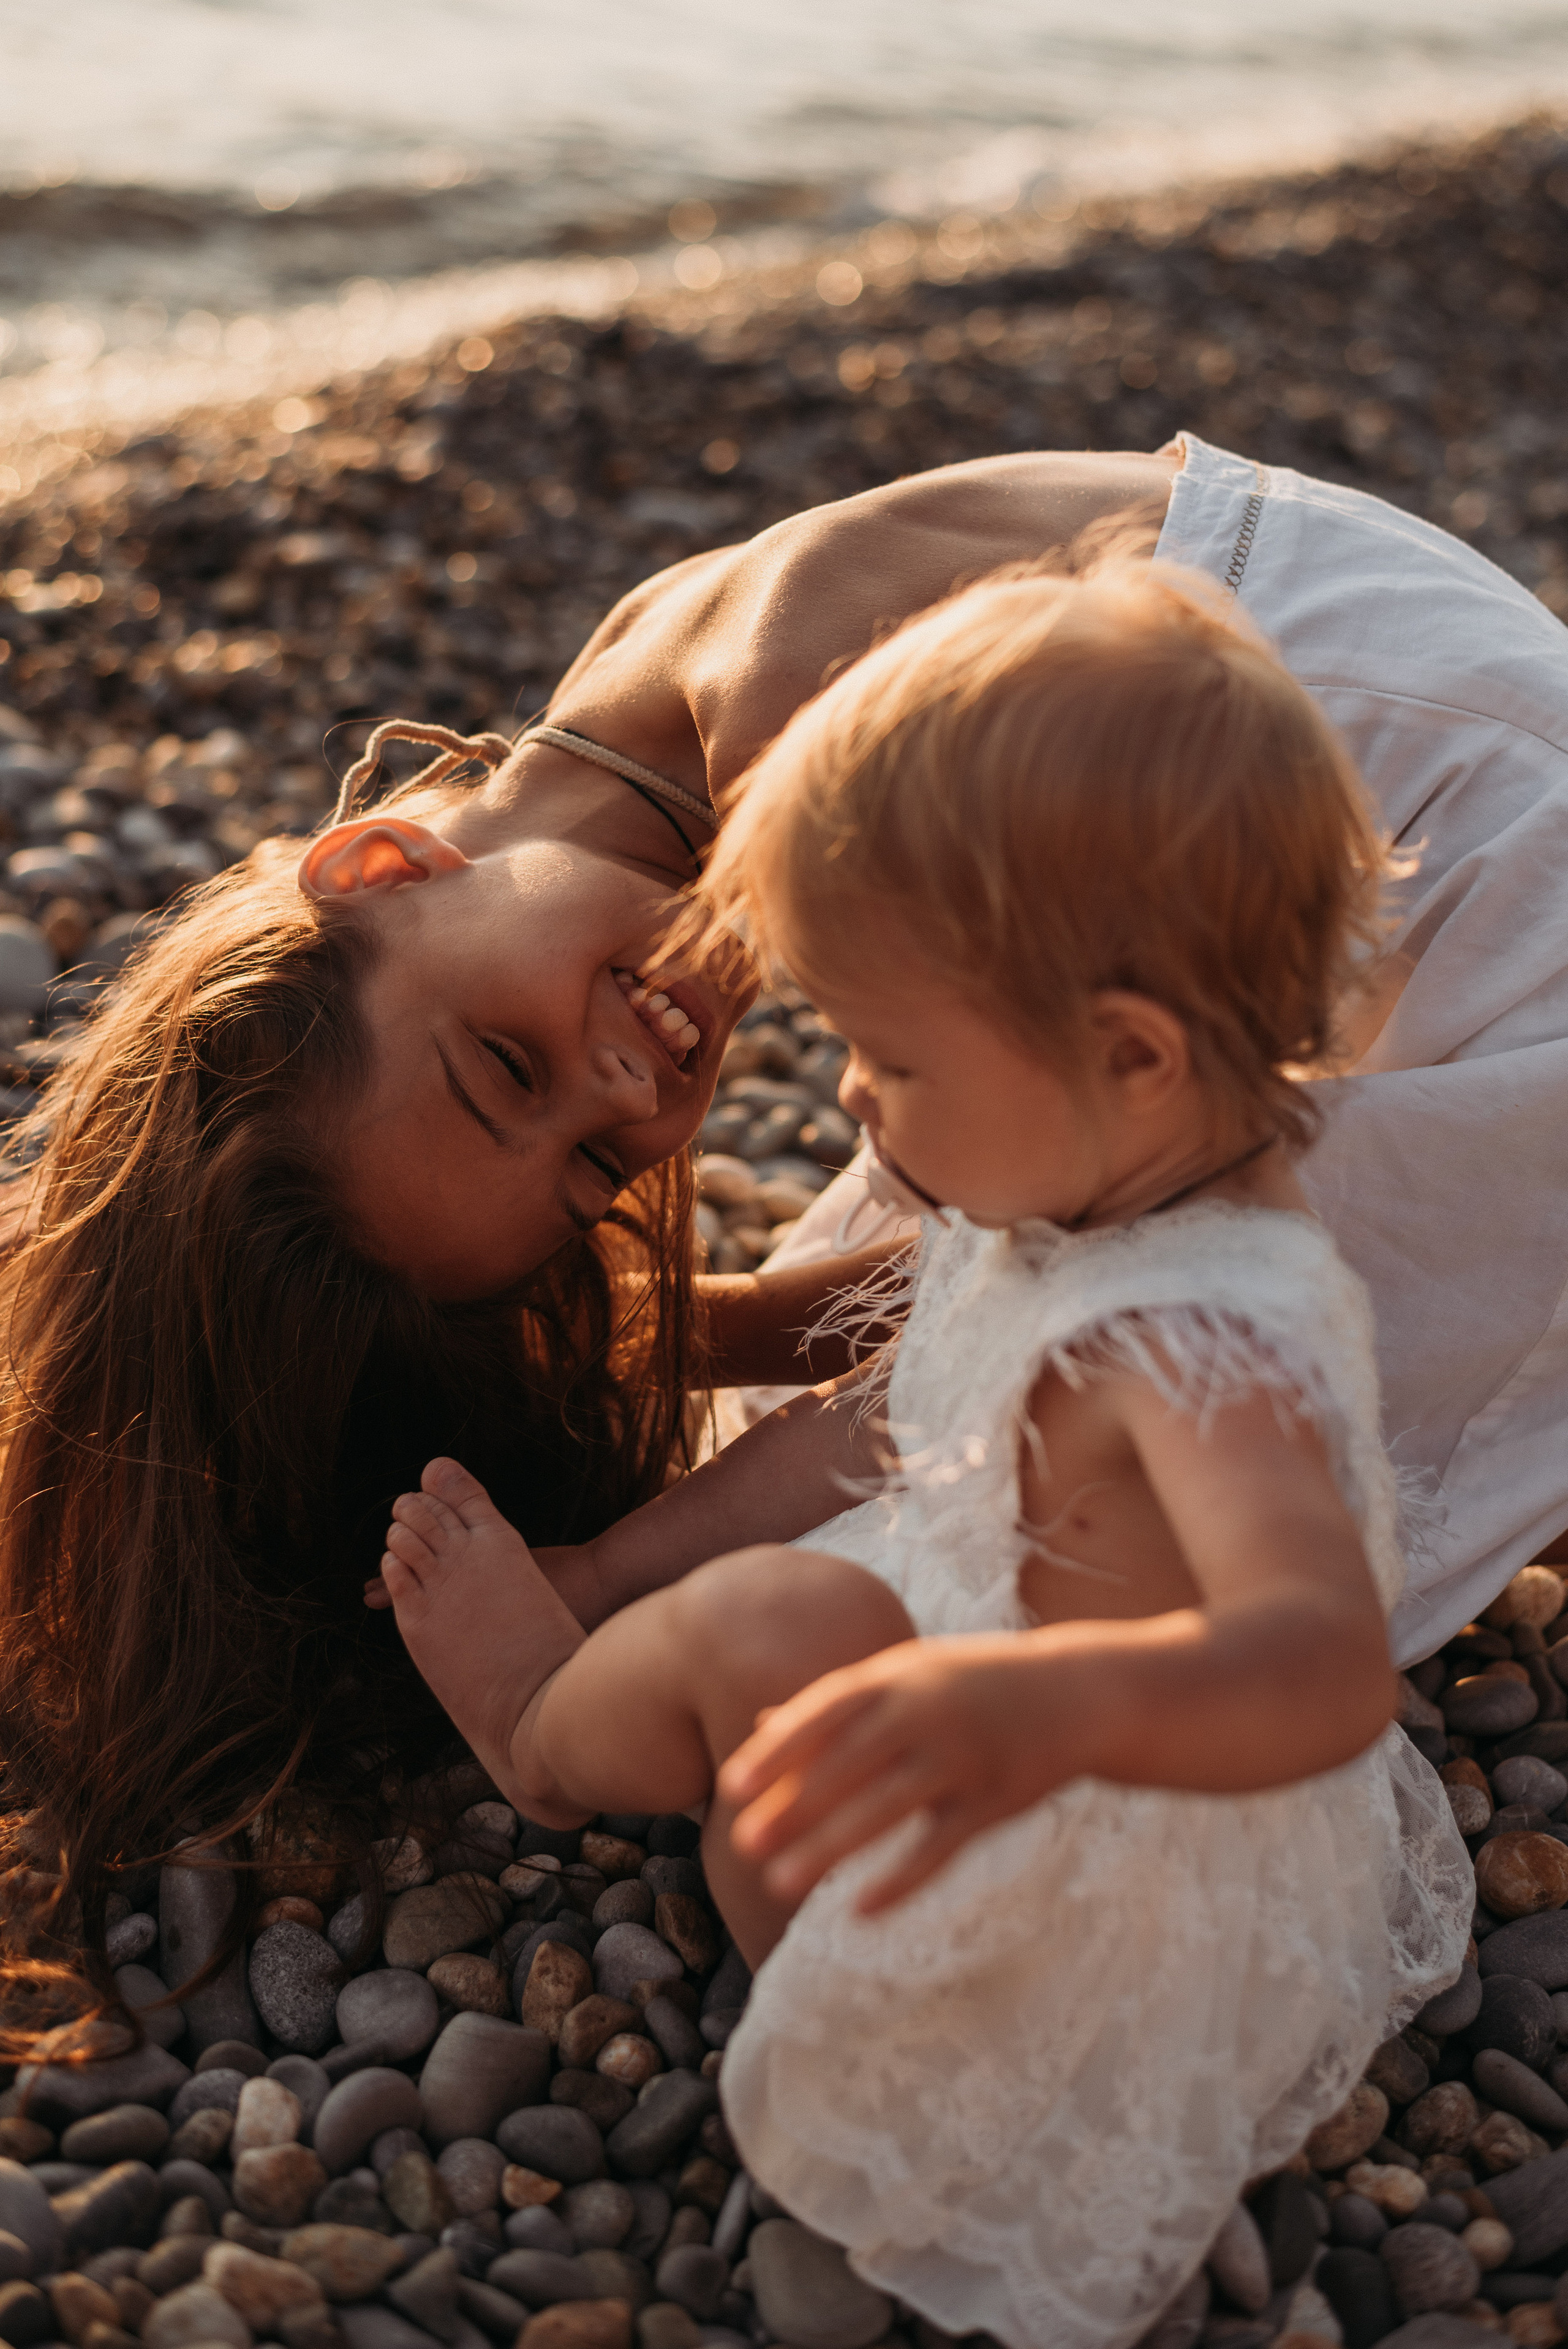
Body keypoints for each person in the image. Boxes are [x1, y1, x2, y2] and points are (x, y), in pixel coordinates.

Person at [0, 431, 1556, 2018]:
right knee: (875, 1495)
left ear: (385, 864)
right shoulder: (657, 686)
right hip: (1363, 837)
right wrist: (702, 1334)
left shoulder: (807, 706)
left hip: (1495, 915)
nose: (621, 1077)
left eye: (504, 1062)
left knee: (977, 1539)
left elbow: (1079, 1281)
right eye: (600, 1168)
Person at [378, 546, 1473, 2349]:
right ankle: (580, 1610)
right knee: (801, 1565)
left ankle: (536, 1735)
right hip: (1012, 1733)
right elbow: (895, 1419)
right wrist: (607, 1555)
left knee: (763, 1632)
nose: (860, 1105)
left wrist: (1032, 1708)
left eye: (886, 1053)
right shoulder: (1081, 1197)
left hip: (1054, 1906)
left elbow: (1325, 1664)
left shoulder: (1203, 1338)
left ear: (1126, 1055)